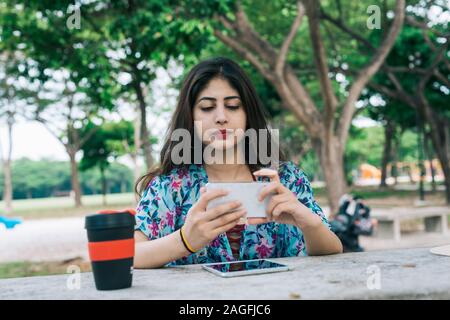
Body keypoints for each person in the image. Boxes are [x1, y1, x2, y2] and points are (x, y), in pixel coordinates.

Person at [133, 57, 342, 268]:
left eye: (233, 106)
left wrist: (307, 221)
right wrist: (186, 240)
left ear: (247, 114)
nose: (221, 117)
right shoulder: (170, 186)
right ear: (190, 116)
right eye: (207, 107)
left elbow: (333, 249)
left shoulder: (286, 178)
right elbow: (131, 255)